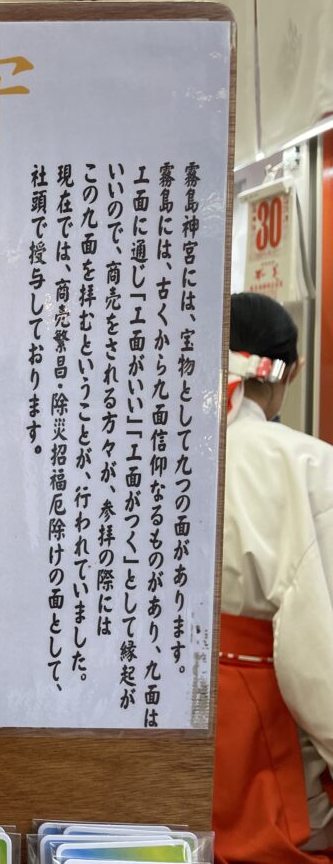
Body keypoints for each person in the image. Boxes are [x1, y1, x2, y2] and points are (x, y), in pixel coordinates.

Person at [214, 292, 333, 863]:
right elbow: (315, 660)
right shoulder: (307, 463)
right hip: (258, 732)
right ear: (292, 372)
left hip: (157, 715)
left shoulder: (152, 441)